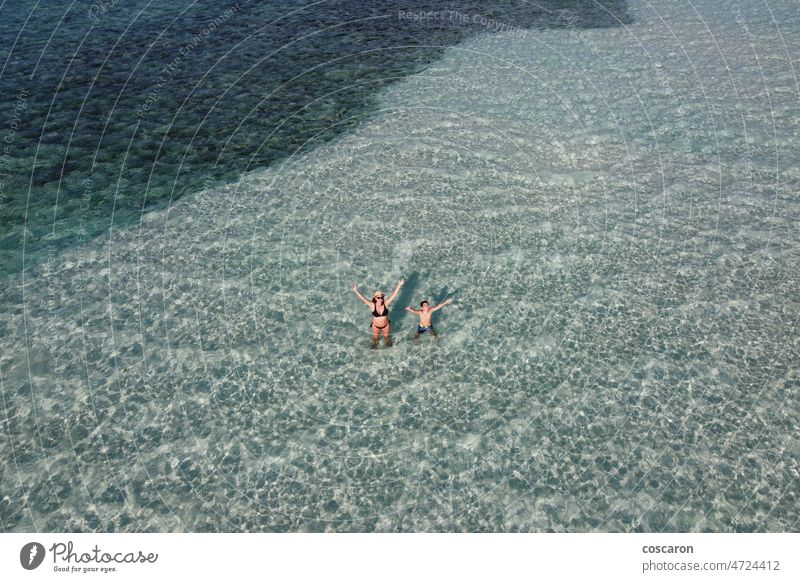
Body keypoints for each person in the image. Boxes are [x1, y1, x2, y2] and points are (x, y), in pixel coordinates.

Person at [352, 278, 405, 348]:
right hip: (375, 326)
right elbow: (363, 299)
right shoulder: (372, 305)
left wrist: (399, 285)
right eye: (378, 297)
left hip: (386, 325)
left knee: (387, 337)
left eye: (381, 297)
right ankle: (374, 347)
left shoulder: (385, 304)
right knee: (375, 337)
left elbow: (393, 296)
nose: (380, 299)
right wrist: (355, 290)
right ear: (375, 298)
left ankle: (389, 348)